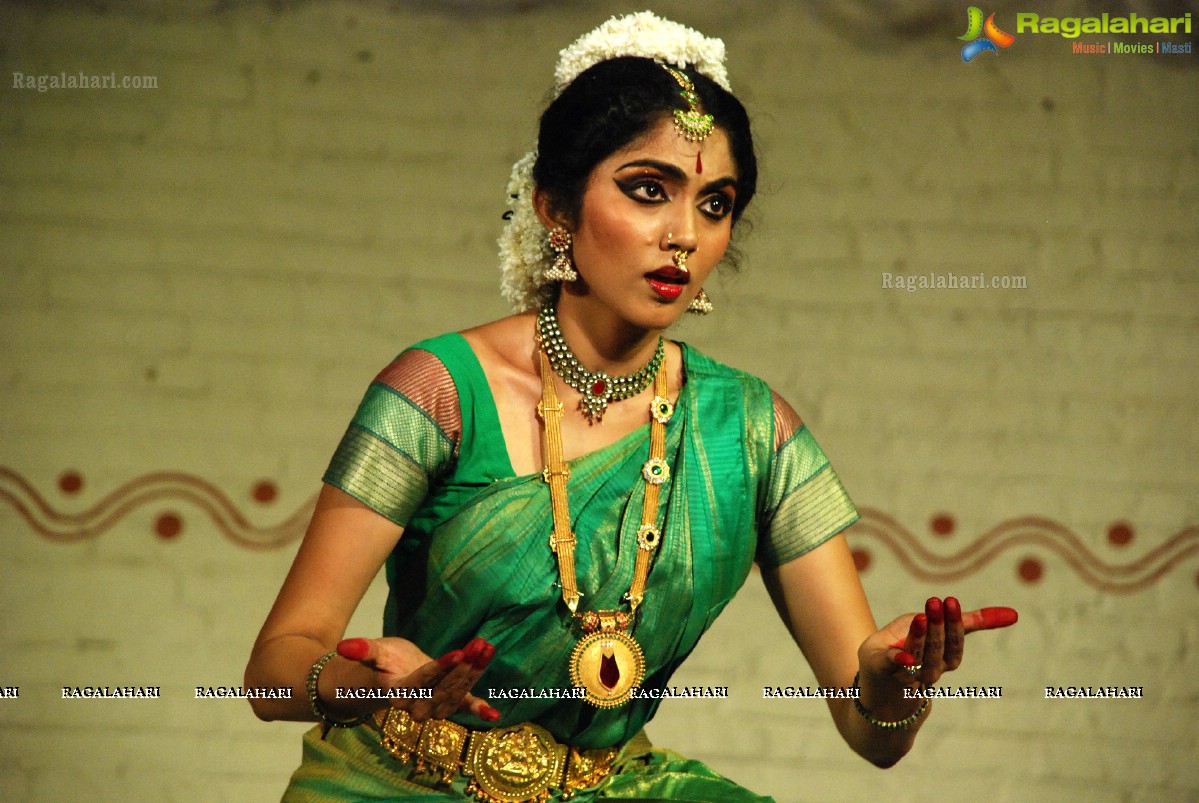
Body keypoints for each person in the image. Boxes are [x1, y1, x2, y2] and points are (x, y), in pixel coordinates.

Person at [245, 12, 1018, 802]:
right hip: (396, 784)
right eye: (648, 192)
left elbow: (871, 736)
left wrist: (893, 690)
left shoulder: (750, 432)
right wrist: (372, 686)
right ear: (555, 206)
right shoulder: (438, 391)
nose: (682, 234)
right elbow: (274, 671)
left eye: (714, 205)